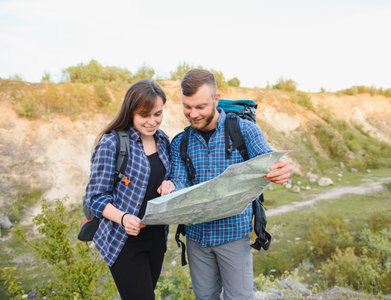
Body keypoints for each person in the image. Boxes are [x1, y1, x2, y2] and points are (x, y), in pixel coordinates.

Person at [170, 69, 291, 300]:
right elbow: (179, 181)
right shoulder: (180, 142)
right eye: (187, 106)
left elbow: (268, 157)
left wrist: (283, 168)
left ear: (216, 99)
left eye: (200, 107)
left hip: (233, 236)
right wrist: (170, 189)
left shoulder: (243, 130)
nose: (193, 114)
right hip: (196, 238)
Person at [84, 79, 175, 300]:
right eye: (145, 115)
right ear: (131, 111)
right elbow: (94, 198)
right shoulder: (112, 144)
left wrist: (170, 183)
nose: (152, 121)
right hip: (123, 240)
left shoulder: (163, 140)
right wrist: (124, 218)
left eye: (158, 114)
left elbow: (166, 177)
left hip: (156, 237)